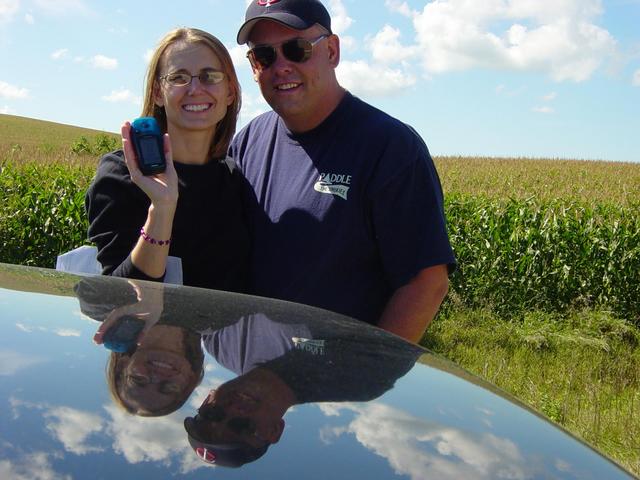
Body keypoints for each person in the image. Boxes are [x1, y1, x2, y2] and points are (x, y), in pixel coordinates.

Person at [230, 0, 456, 343]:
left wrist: (371, 371)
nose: (282, 66)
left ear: (332, 51)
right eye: (264, 55)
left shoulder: (389, 147)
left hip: (338, 387)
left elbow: (426, 282)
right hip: (255, 378)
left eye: (297, 49)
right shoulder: (247, 143)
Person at [85, 27, 249, 291]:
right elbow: (119, 298)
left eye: (210, 76)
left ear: (230, 92)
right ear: (158, 93)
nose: (195, 89)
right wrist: (161, 209)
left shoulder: (235, 181)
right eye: (179, 77)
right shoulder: (122, 176)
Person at [183, 312, 422, 467]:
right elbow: (424, 290)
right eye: (241, 426)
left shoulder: (219, 345)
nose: (233, 409)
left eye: (214, 415)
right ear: (274, 431)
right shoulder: (357, 382)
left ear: (206, 401)